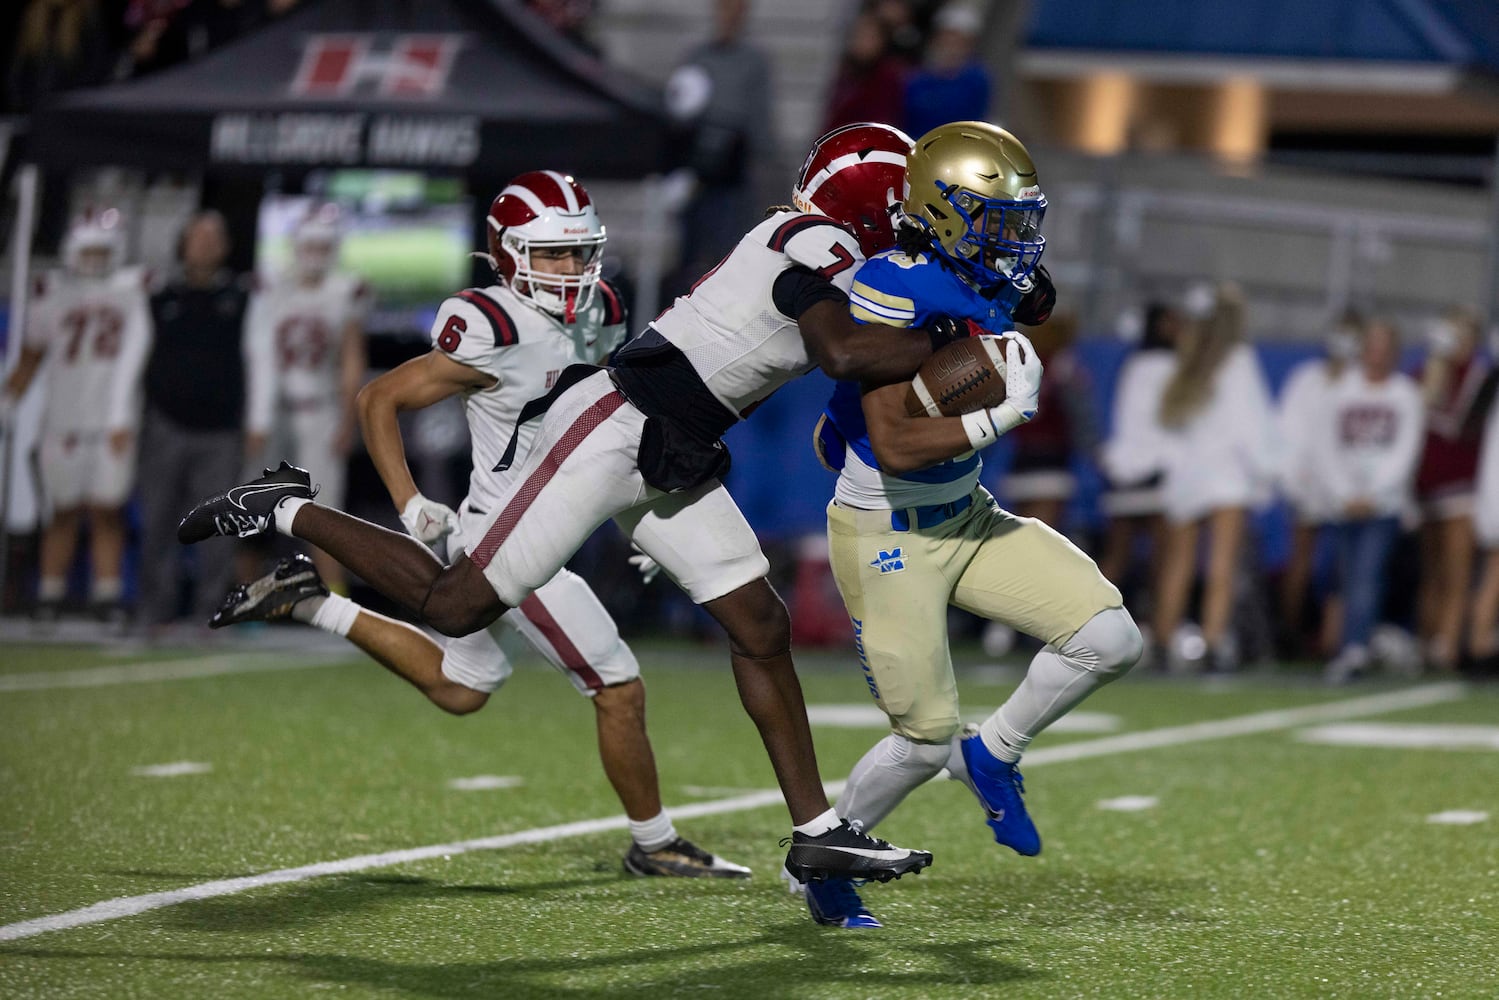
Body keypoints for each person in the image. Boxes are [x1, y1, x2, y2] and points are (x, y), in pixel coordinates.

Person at [179, 124, 945, 889]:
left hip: (661, 452)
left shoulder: (640, 297)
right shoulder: (806, 243)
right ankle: (284, 507)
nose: (570, 269)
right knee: (456, 612)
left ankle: (815, 832)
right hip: (588, 453)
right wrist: (958, 333)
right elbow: (842, 353)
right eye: (902, 202)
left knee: (757, 624)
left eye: (578, 251)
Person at [213, 172, 747, 878]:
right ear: (506, 252)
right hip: (511, 539)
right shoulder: (491, 326)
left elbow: (601, 437)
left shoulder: (604, 310)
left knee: (464, 687)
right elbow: (378, 398)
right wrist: (408, 503)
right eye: (551, 255)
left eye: (579, 252)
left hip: (539, 525)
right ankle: (655, 844)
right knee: (617, 686)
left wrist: (637, 522)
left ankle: (306, 599)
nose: (572, 269)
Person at [804, 121, 1142, 929]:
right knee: (921, 739)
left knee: (1110, 638)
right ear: (947, 213)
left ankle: (990, 755)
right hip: (888, 531)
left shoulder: (978, 269)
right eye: (1002, 217)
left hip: (964, 513)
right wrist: (998, 419)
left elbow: (1035, 293)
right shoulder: (890, 289)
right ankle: (826, 858)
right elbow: (892, 442)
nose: (1020, 238)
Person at [0, 210, 151, 621]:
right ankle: (49, 593)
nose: (94, 259)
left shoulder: (131, 291)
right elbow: (31, 357)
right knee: (62, 510)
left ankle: (107, 595)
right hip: (63, 418)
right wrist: (7, 401)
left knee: (107, 509)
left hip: (111, 421)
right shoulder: (53, 294)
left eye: (102, 251)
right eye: (88, 251)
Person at [140, 209, 272, 628]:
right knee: (158, 520)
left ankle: (209, 611)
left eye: (214, 238)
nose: (205, 245)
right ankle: (153, 609)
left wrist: (258, 420)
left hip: (221, 428)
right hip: (166, 422)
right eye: (198, 237)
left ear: (226, 247)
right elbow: (137, 356)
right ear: (183, 243)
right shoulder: (160, 294)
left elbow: (259, 359)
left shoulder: (243, 296)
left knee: (218, 527)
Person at [1152, 283, 1277, 673]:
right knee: (1222, 565)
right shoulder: (1238, 360)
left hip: (1188, 477)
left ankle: (1162, 640)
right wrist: (1268, 471)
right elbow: (1250, 427)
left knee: (1178, 564)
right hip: (1225, 477)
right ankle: (1212, 641)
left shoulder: (1185, 359)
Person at [246, 204, 369, 591]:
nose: (315, 254)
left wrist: (348, 421)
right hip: (273, 413)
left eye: (322, 246)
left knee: (324, 515)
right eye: (309, 245)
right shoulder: (273, 288)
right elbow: (256, 356)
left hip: (320, 411)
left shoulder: (344, 292)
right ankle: (247, 599)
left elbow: (352, 363)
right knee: (252, 514)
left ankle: (336, 599)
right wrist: (255, 418)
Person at [1317, 320, 1425, 682]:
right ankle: (1348, 645)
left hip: (1384, 505)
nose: (1376, 351)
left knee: (1367, 577)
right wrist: (1343, 492)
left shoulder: (1405, 394)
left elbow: (1406, 450)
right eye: (1372, 343)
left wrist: (1374, 493)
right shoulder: (1342, 391)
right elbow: (1327, 446)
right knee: (1345, 579)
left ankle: (1355, 649)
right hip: (1344, 504)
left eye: (1384, 344)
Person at [1276, 309, 1361, 656]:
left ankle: (1334, 640)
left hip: (1349, 488)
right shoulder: (1306, 379)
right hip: (1309, 484)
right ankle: (1288, 633)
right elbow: (1288, 431)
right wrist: (1293, 477)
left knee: (1345, 567)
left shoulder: (1360, 381)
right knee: (1302, 560)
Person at [1413, 307, 1489, 672]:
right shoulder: (1426, 371)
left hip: (1461, 488)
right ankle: (1426, 643)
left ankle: (1448, 645)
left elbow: (1463, 428)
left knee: (1458, 573)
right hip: (1426, 488)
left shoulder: (1479, 376)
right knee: (1432, 572)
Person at [1097, 301, 1180, 608]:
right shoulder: (1172, 368)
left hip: (1124, 472)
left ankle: (1089, 624)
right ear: (1159, 326)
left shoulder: (1132, 365)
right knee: (1166, 559)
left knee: (1116, 559)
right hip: (1156, 474)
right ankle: (1156, 626)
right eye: (1174, 323)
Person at [902, 3, 990, 140]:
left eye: (958, 41)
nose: (951, 46)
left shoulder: (976, 80)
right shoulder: (916, 78)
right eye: (946, 38)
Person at [821, 10, 907, 133]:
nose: (863, 43)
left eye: (870, 37)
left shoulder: (889, 78)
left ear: (882, 41)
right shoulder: (842, 73)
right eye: (859, 36)